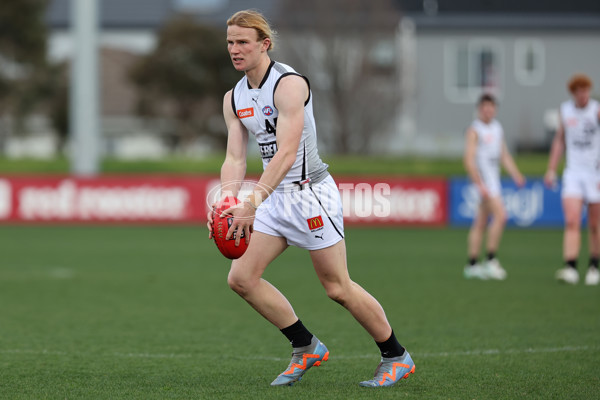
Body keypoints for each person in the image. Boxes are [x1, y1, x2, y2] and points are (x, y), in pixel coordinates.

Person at [206, 10, 414, 387]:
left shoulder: (289, 84)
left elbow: (286, 154)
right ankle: (305, 346)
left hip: (309, 195)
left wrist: (250, 203)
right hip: (271, 198)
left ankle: (396, 355)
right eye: (230, 43)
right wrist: (226, 202)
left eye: (243, 42)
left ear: (264, 44)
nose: (234, 50)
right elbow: (235, 157)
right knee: (241, 278)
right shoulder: (233, 98)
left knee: (337, 288)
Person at [545, 74, 600, 285]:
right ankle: (570, 267)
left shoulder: (596, 109)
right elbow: (559, 140)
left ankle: (594, 266)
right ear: (573, 93)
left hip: (595, 173)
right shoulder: (565, 111)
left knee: (595, 224)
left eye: (586, 90)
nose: (583, 94)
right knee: (571, 220)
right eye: (579, 91)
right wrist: (551, 169)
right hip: (573, 172)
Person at [463, 94, 525, 280]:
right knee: (501, 216)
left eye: (491, 107)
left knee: (480, 222)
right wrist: (479, 184)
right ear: (479, 109)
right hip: (484, 184)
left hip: (493, 182)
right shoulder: (475, 130)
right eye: (485, 107)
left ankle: (472, 264)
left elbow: (504, 155)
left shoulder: (497, 128)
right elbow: (469, 160)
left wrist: (516, 174)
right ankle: (490, 260)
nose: (488, 110)